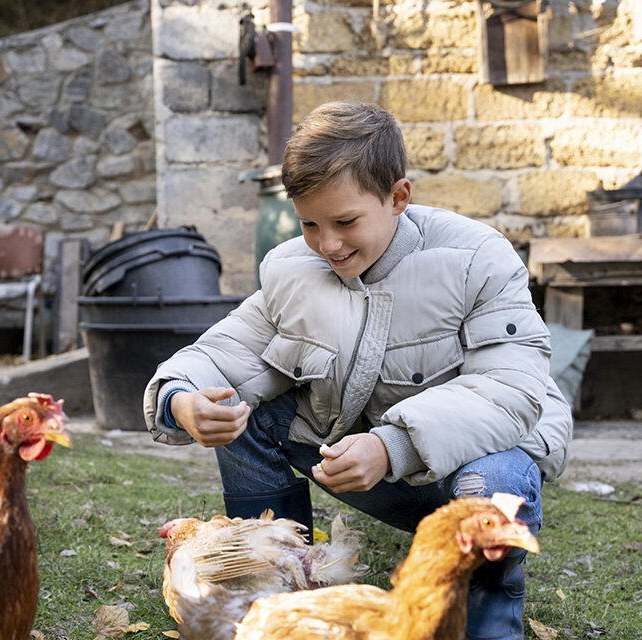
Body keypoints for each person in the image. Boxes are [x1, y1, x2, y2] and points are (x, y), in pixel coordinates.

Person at [142, 101, 572, 640]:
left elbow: (509, 391)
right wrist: (181, 399)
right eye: (309, 224)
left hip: (462, 480)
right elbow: (229, 351)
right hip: (357, 464)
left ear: (398, 197)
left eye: (345, 222)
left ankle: (486, 621)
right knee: (235, 403)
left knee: (499, 478)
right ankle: (277, 590)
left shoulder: (478, 259)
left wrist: (391, 445)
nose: (328, 245)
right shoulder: (293, 270)